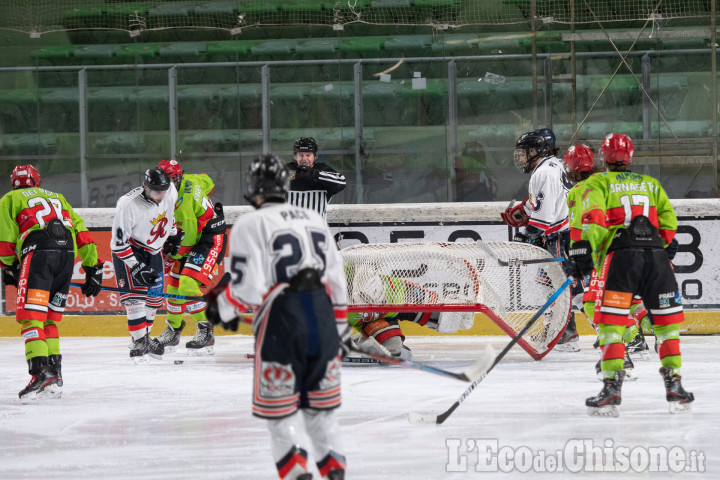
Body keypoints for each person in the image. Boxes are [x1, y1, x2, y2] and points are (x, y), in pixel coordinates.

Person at [206, 155, 348, 480]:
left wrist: (220, 307)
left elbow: (248, 289)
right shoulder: (314, 219)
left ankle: (297, 473)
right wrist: (337, 330)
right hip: (323, 323)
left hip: (282, 328)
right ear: (285, 186)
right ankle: (335, 472)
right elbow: (337, 282)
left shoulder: (249, 224)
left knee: (280, 419)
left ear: (252, 189)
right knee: (321, 417)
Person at [568, 133, 693, 416]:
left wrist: (586, 252)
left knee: (612, 325)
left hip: (622, 258)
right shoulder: (651, 184)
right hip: (656, 259)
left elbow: (593, 221)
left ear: (604, 158)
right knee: (665, 326)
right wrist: (655, 245)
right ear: (631, 157)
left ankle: (612, 389)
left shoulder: (598, 182)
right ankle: (675, 386)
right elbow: (669, 225)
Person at [0, 165, 104, 401]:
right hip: (66, 255)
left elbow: (5, 240)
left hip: (38, 253)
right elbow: (81, 232)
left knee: (30, 317)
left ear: (14, 182)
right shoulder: (58, 197)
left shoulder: (10, 198)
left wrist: (10, 266)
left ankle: (40, 373)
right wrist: (92, 268)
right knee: (48, 317)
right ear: (37, 181)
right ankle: (55, 374)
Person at [564, 144, 650, 379]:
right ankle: (633, 339)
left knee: (591, 302)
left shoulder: (579, 190)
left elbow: (579, 230)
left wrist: (578, 259)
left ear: (571, 169)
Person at [501, 130, 581, 352]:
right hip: (566, 234)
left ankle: (624, 336)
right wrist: (526, 209)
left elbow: (544, 218)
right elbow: (544, 202)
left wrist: (524, 236)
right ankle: (565, 333)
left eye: (524, 153)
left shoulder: (543, 172)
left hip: (559, 238)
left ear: (537, 150)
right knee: (550, 284)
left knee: (573, 290)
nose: (521, 158)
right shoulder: (555, 165)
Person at [156, 159, 227, 355]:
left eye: (170, 180)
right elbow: (208, 181)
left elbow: (185, 243)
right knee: (173, 285)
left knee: (186, 283)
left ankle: (206, 331)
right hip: (197, 237)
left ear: (177, 178)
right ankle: (173, 330)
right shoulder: (191, 179)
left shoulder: (182, 205)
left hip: (210, 240)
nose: (166, 185)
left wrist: (170, 258)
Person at [111, 167, 178, 363]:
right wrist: (135, 266)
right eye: (157, 191)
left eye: (164, 191)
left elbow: (169, 210)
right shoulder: (127, 204)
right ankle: (139, 341)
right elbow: (118, 243)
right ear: (145, 187)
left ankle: (145, 337)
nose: (161, 195)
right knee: (135, 299)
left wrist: (172, 233)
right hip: (132, 250)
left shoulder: (169, 190)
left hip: (154, 250)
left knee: (154, 300)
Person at [287, 137, 346, 220]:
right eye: (301, 155)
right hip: (291, 229)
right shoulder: (288, 169)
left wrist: (314, 175)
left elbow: (341, 182)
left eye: (308, 155)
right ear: (296, 156)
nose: (304, 159)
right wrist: (300, 175)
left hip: (316, 229)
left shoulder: (322, 169)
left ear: (315, 156)